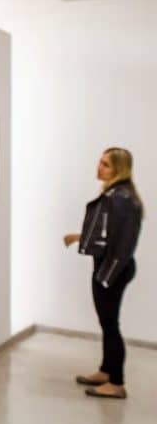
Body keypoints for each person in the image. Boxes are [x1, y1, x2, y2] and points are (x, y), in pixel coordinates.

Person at [63, 148, 143, 399]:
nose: (99, 167)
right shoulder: (116, 194)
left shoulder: (122, 198)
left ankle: (116, 383)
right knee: (107, 324)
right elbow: (107, 234)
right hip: (110, 266)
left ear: (119, 169)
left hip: (113, 269)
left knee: (110, 326)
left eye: (106, 164)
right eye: (100, 162)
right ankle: (106, 371)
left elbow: (124, 243)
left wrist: (107, 275)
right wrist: (80, 238)